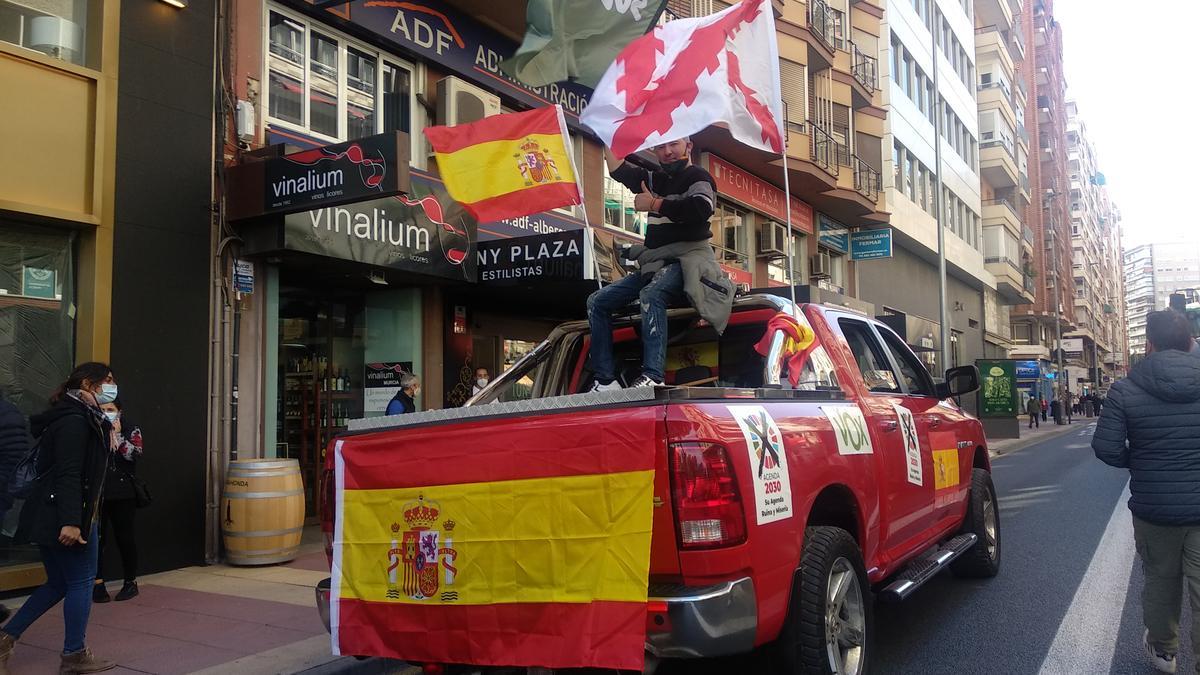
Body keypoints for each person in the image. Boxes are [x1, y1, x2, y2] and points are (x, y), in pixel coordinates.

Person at [1093, 310, 1200, 675]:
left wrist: (1140, 460)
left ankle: (1164, 652)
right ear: (1190, 343)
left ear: (1148, 345)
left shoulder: (1125, 388)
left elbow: (1106, 448)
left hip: (1155, 508)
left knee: (1160, 580)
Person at [587, 138, 732, 390]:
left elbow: (701, 208)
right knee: (597, 302)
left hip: (687, 260)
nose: (667, 152)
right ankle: (605, 379)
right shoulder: (657, 180)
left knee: (651, 294)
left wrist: (654, 204)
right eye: (660, 146)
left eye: (673, 144)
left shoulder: (699, 177)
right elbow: (621, 171)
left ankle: (653, 374)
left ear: (688, 145)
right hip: (653, 263)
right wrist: (608, 134)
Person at [0, 362, 116, 674]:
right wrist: (72, 521)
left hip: (60, 511)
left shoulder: (78, 416)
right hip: (67, 514)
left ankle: (4, 640)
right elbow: (68, 473)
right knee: (80, 582)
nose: (112, 387)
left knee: (59, 584)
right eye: (107, 381)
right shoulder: (74, 421)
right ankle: (74, 655)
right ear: (89, 385)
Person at [93, 398, 142, 603]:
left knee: (125, 537)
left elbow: (134, 454)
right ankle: (98, 583)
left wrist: (118, 434)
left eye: (111, 409)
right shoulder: (94, 428)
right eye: (103, 409)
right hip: (99, 491)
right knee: (98, 539)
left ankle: (130, 582)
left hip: (123, 492)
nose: (107, 412)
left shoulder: (131, 429)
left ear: (119, 411)